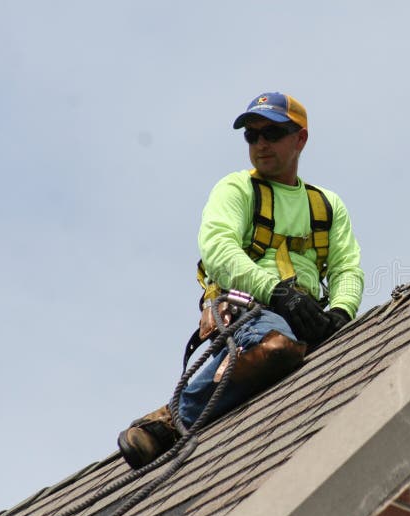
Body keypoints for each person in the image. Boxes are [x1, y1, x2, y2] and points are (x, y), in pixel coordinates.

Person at [117, 92, 364, 468]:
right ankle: (169, 421)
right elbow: (218, 249)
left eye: (272, 133)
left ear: (300, 139)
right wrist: (277, 293)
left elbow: (347, 267)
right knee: (277, 349)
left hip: (307, 314)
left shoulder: (327, 205)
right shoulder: (238, 189)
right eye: (252, 136)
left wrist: (341, 314)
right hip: (250, 305)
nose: (261, 143)